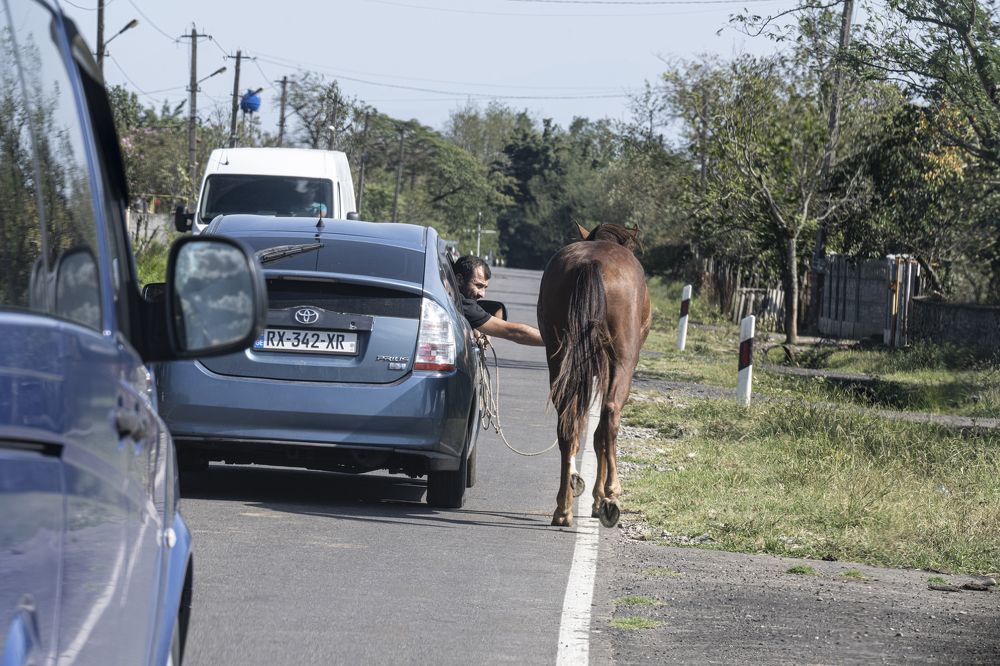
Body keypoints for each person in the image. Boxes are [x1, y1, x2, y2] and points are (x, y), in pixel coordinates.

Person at [452, 255, 544, 346]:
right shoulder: (460, 303)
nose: (482, 294)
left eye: (485, 288)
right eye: (478, 286)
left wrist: (476, 327)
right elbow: (514, 332)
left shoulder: (449, 295)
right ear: (459, 280)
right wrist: (553, 339)